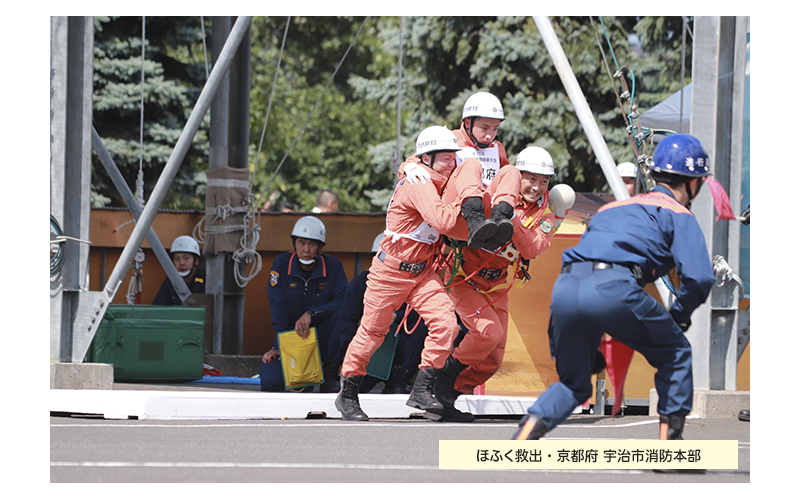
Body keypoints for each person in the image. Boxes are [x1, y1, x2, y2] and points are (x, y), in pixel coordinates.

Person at [512, 133, 716, 446]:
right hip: (614, 287)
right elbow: (699, 279)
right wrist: (679, 315)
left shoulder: (611, 209)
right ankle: (669, 447)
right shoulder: (679, 214)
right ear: (693, 183)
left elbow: (591, 263)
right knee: (676, 355)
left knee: (574, 384)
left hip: (567, 286)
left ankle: (522, 438)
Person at [335, 126, 467, 421]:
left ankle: (421, 389)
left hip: (422, 272)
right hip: (391, 272)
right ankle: (347, 395)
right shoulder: (419, 183)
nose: (451, 163)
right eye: (445, 158)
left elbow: (463, 171)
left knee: (447, 324)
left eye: (453, 157)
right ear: (428, 158)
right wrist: (466, 203)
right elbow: (443, 220)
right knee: (373, 332)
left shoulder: (432, 175)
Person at [436, 147, 573, 422]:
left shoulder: (545, 215)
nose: (536, 187)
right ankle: (438, 382)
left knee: (492, 360)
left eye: (543, 181)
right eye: (530, 178)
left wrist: (509, 219)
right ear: (518, 175)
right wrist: (504, 209)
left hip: (497, 286)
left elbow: (533, 248)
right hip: (463, 276)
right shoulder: (493, 195)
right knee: (487, 334)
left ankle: (446, 395)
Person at [260, 216, 349, 393]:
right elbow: (278, 310)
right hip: (292, 336)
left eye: (312, 244)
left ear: (321, 247)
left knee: (342, 316)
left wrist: (312, 313)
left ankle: (330, 372)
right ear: (294, 244)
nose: (306, 250)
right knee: (271, 381)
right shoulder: (281, 264)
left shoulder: (334, 266)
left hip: (323, 337)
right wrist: (281, 346)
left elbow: (343, 301)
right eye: (301, 243)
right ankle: (304, 375)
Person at [336, 233, 428, 394]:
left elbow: (420, 312)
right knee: (356, 390)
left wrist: (396, 316)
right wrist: (348, 357)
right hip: (373, 351)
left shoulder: (411, 282)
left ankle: (403, 378)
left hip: (400, 345)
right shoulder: (359, 284)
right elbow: (347, 323)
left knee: (421, 326)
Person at [450, 91, 521, 250]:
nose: (490, 135)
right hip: (454, 213)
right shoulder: (450, 140)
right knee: (471, 165)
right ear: (468, 123)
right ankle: (475, 221)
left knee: (511, 171)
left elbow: (507, 184)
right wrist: (409, 167)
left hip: (486, 221)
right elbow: (415, 162)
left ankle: (499, 224)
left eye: (495, 129)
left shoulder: (498, 149)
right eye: (484, 128)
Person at [152, 236, 205, 305]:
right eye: (177, 259)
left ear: (196, 261)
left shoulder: (206, 281)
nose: (181, 263)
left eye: (186, 258)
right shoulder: (170, 281)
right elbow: (158, 307)